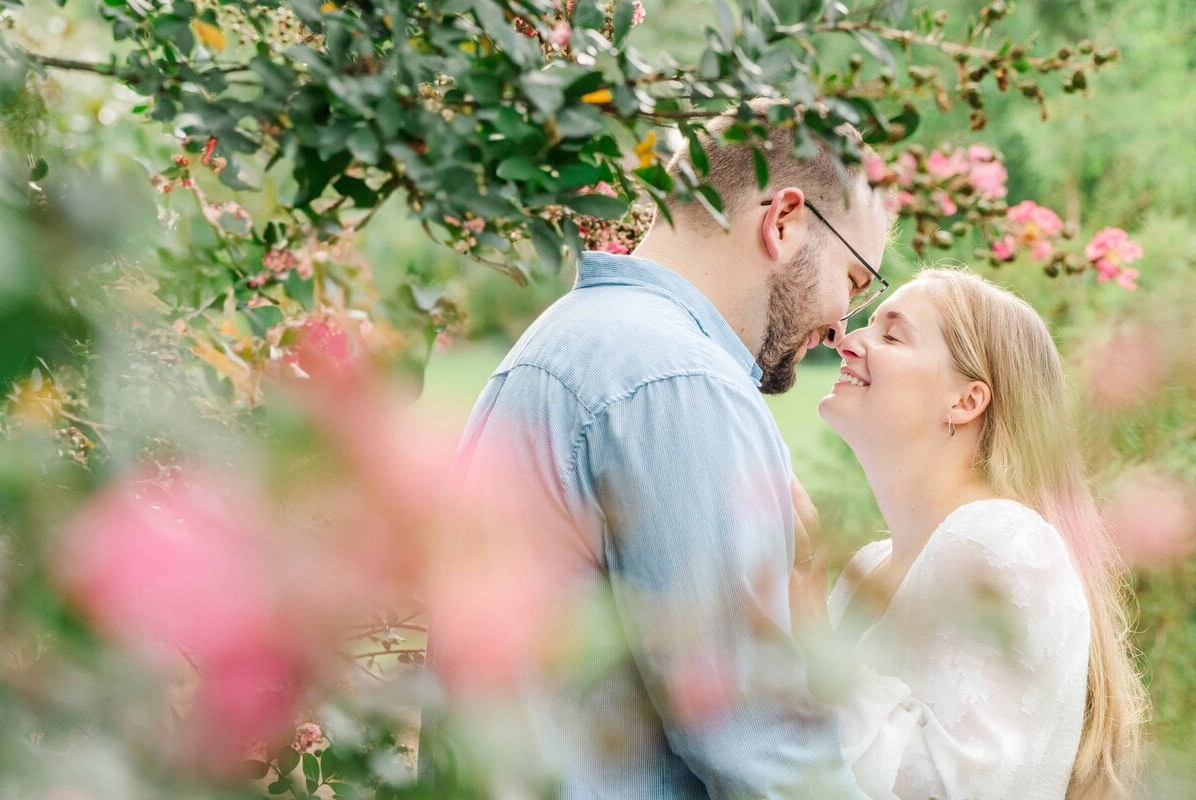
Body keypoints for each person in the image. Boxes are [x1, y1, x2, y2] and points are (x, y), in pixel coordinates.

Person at [418, 98, 891, 798]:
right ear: (784, 222)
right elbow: (758, 740)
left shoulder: (571, 341)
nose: (841, 325)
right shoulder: (679, 380)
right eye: (853, 280)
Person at [788, 267, 1148, 800]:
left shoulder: (1003, 542)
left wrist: (810, 628)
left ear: (966, 401)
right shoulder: (868, 566)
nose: (848, 339)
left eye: (891, 334)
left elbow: (954, 787)